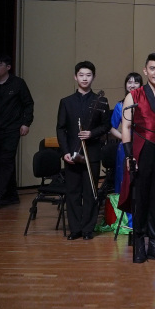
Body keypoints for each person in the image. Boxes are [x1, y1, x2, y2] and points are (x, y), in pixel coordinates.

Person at [119, 53, 155, 263]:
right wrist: (129, 155)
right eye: (152, 68)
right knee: (140, 197)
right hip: (139, 150)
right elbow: (126, 127)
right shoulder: (133, 95)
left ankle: (154, 243)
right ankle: (138, 244)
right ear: (145, 70)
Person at [55, 61, 111, 240]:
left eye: (88, 75)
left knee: (90, 192)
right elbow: (60, 129)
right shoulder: (66, 102)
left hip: (92, 154)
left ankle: (88, 229)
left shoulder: (101, 101)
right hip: (71, 153)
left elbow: (106, 126)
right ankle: (75, 229)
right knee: (73, 192)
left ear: (93, 77)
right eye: (81, 75)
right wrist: (65, 151)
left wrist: (91, 133)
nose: (85, 78)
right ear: (75, 77)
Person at [0, 54, 35, 208]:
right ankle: (12, 195)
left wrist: (26, 123)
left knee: (6, 160)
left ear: (8, 67)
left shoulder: (18, 84)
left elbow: (28, 104)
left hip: (12, 129)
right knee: (0, 162)